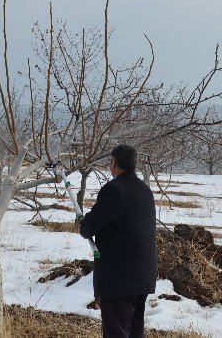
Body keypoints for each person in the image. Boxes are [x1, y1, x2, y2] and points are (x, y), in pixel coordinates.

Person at [78, 144, 157, 338]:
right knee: (135, 331)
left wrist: (83, 222)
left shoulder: (114, 190)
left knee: (116, 332)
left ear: (114, 162)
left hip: (119, 278)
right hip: (142, 275)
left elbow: (90, 227)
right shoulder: (145, 190)